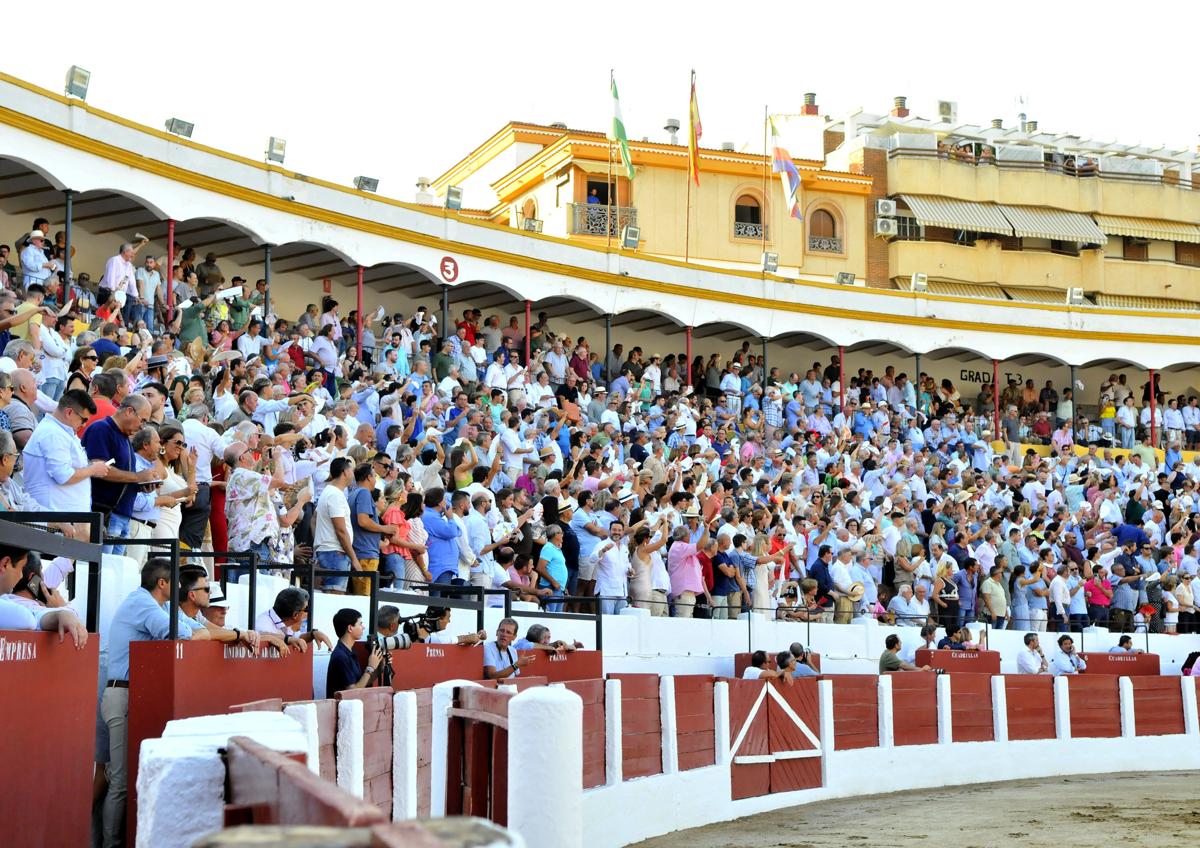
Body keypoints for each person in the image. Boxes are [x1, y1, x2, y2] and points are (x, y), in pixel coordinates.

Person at [313, 456, 358, 593]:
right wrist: (354, 559)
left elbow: (313, 520)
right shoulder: (335, 495)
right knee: (334, 597)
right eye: (352, 471)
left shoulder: (329, 492)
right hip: (335, 553)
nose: (353, 475)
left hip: (330, 552)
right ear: (345, 472)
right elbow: (340, 530)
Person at [254, 586, 334, 652]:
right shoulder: (263, 623)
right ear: (295, 614)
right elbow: (262, 635)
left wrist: (312, 634)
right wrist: (288, 639)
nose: (307, 614)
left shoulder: (284, 620)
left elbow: (296, 638)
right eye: (306, 609)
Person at [326, 608, 384, 696]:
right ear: (350, 628)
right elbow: (352, 691)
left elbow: (361, 683)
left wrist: (380, 666)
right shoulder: (340, 656)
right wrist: (370, 667)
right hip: (341, 708)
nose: (363, 627)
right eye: (360, 624)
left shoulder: (350, 651)